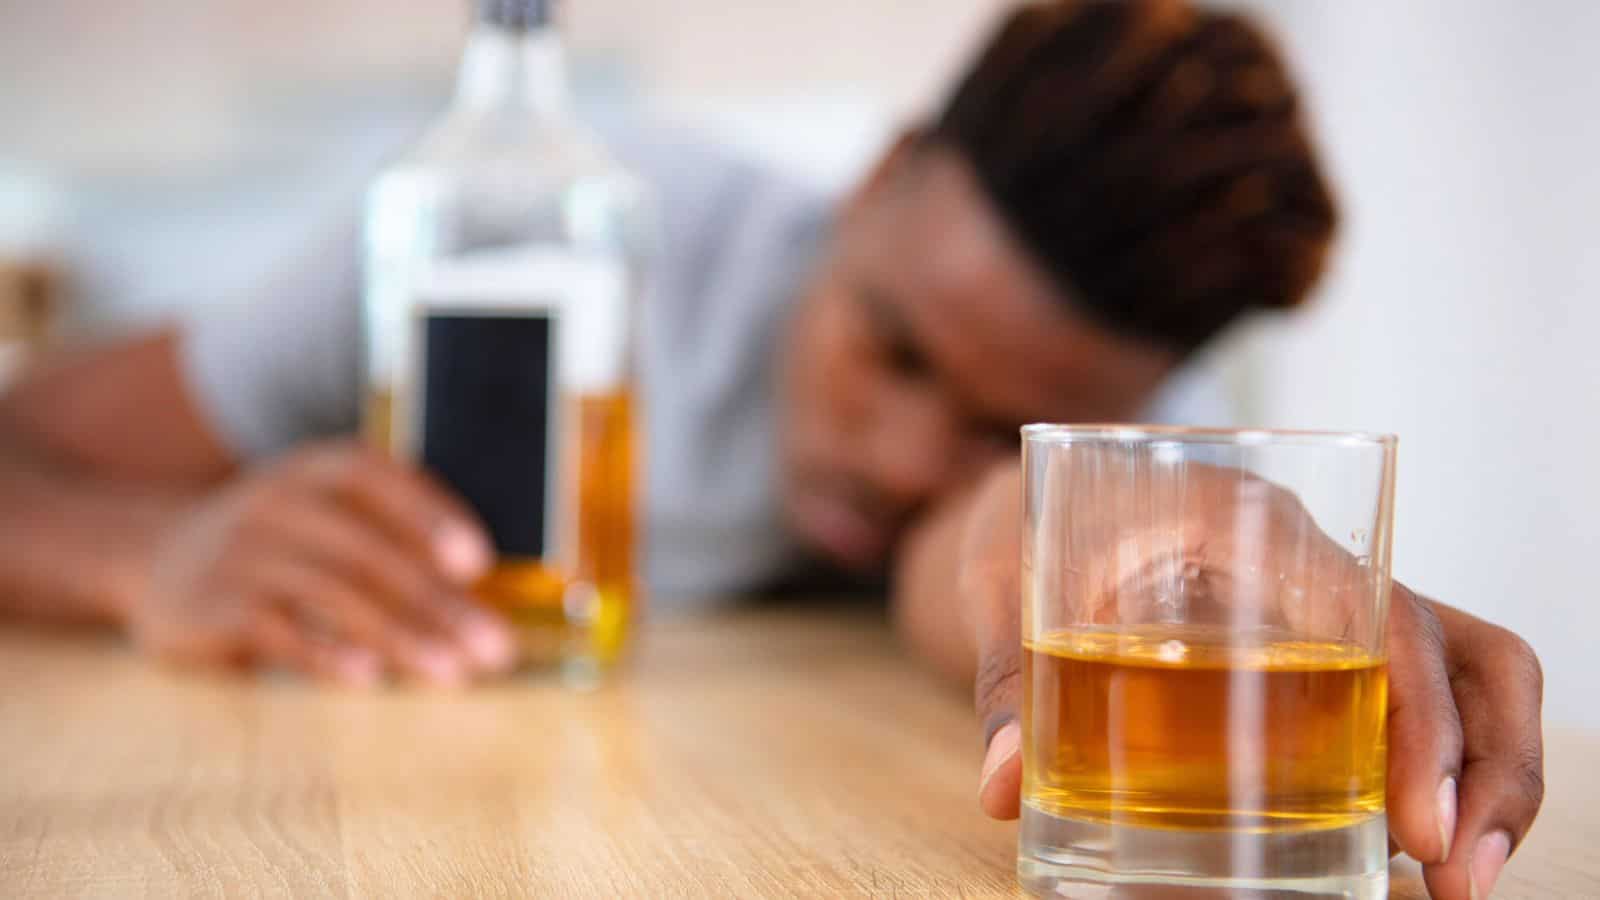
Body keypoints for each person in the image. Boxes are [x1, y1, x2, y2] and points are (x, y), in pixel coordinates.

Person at [0, 2, 1540, 896]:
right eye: (893, 347)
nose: (893, 456)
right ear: (873, 181)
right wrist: (145, 556)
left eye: (994, 426)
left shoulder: (1090, 446)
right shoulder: (531, 230)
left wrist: (1168, 525)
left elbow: (990, 545)